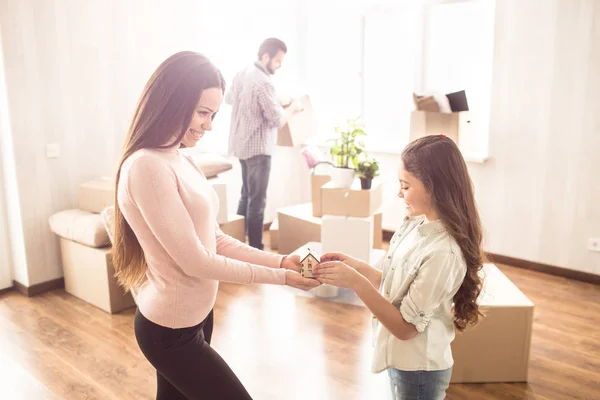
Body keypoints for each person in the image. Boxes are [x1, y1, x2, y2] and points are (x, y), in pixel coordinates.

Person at [112, 51, 319, 400]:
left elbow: (216, 240)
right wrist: (283, 279)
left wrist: (280, 261)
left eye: (213, 115)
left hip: (195, 318)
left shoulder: (179, 158)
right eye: (203, 113)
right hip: (169, 331)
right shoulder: (146, 167)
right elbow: (196, 261)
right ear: (172, 102)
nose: (209, 126)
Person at [313, 135, 485, 400]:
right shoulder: (415, 224)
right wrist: (356, 268)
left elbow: (406, 328)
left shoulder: (443, 253)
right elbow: (396, 285)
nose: (398, 193)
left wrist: (356, 283)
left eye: (405, 186)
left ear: (434, 188)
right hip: (401, 361)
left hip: (419, 368)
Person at [225, 37, 302, 250]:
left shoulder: (242, 74)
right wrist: (293, 107)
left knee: (246, 196)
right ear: (265, 56)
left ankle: (236, 245)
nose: (279, 65)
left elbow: (229, 98)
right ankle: (256, 249)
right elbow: (277, 119)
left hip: (242, 146)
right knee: (257, 203)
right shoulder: (263, 81)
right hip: (259, 149)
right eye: (277, 61)